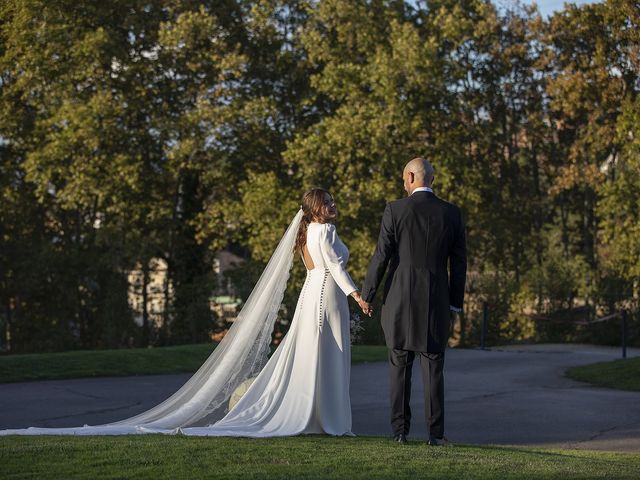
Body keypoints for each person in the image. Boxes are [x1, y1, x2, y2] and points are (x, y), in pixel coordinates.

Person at [0, 188, 368, 437]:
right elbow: (335, 268)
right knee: (328, 355)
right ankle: (329, 420)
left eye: (332, 201)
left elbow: (320, 268)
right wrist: (358, 296)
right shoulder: (327, 230)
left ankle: (317, 418)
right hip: (327, 297)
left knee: (311, 357)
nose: (333, 205)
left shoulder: (308, 233)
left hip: (310, 296)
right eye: (327, 202)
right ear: (316, 208)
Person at [360, 157, 467, 445]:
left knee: (399, 366)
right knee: (433, 367)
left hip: (399, 299)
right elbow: (459, 264)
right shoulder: (452, 213)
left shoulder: (395, 210)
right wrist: (455, 303)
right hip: (436, 300)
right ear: (431, 178)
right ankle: (435, 435)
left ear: (410, 177)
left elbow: (381, 255)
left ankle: (399, 432)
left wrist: (367, 294)